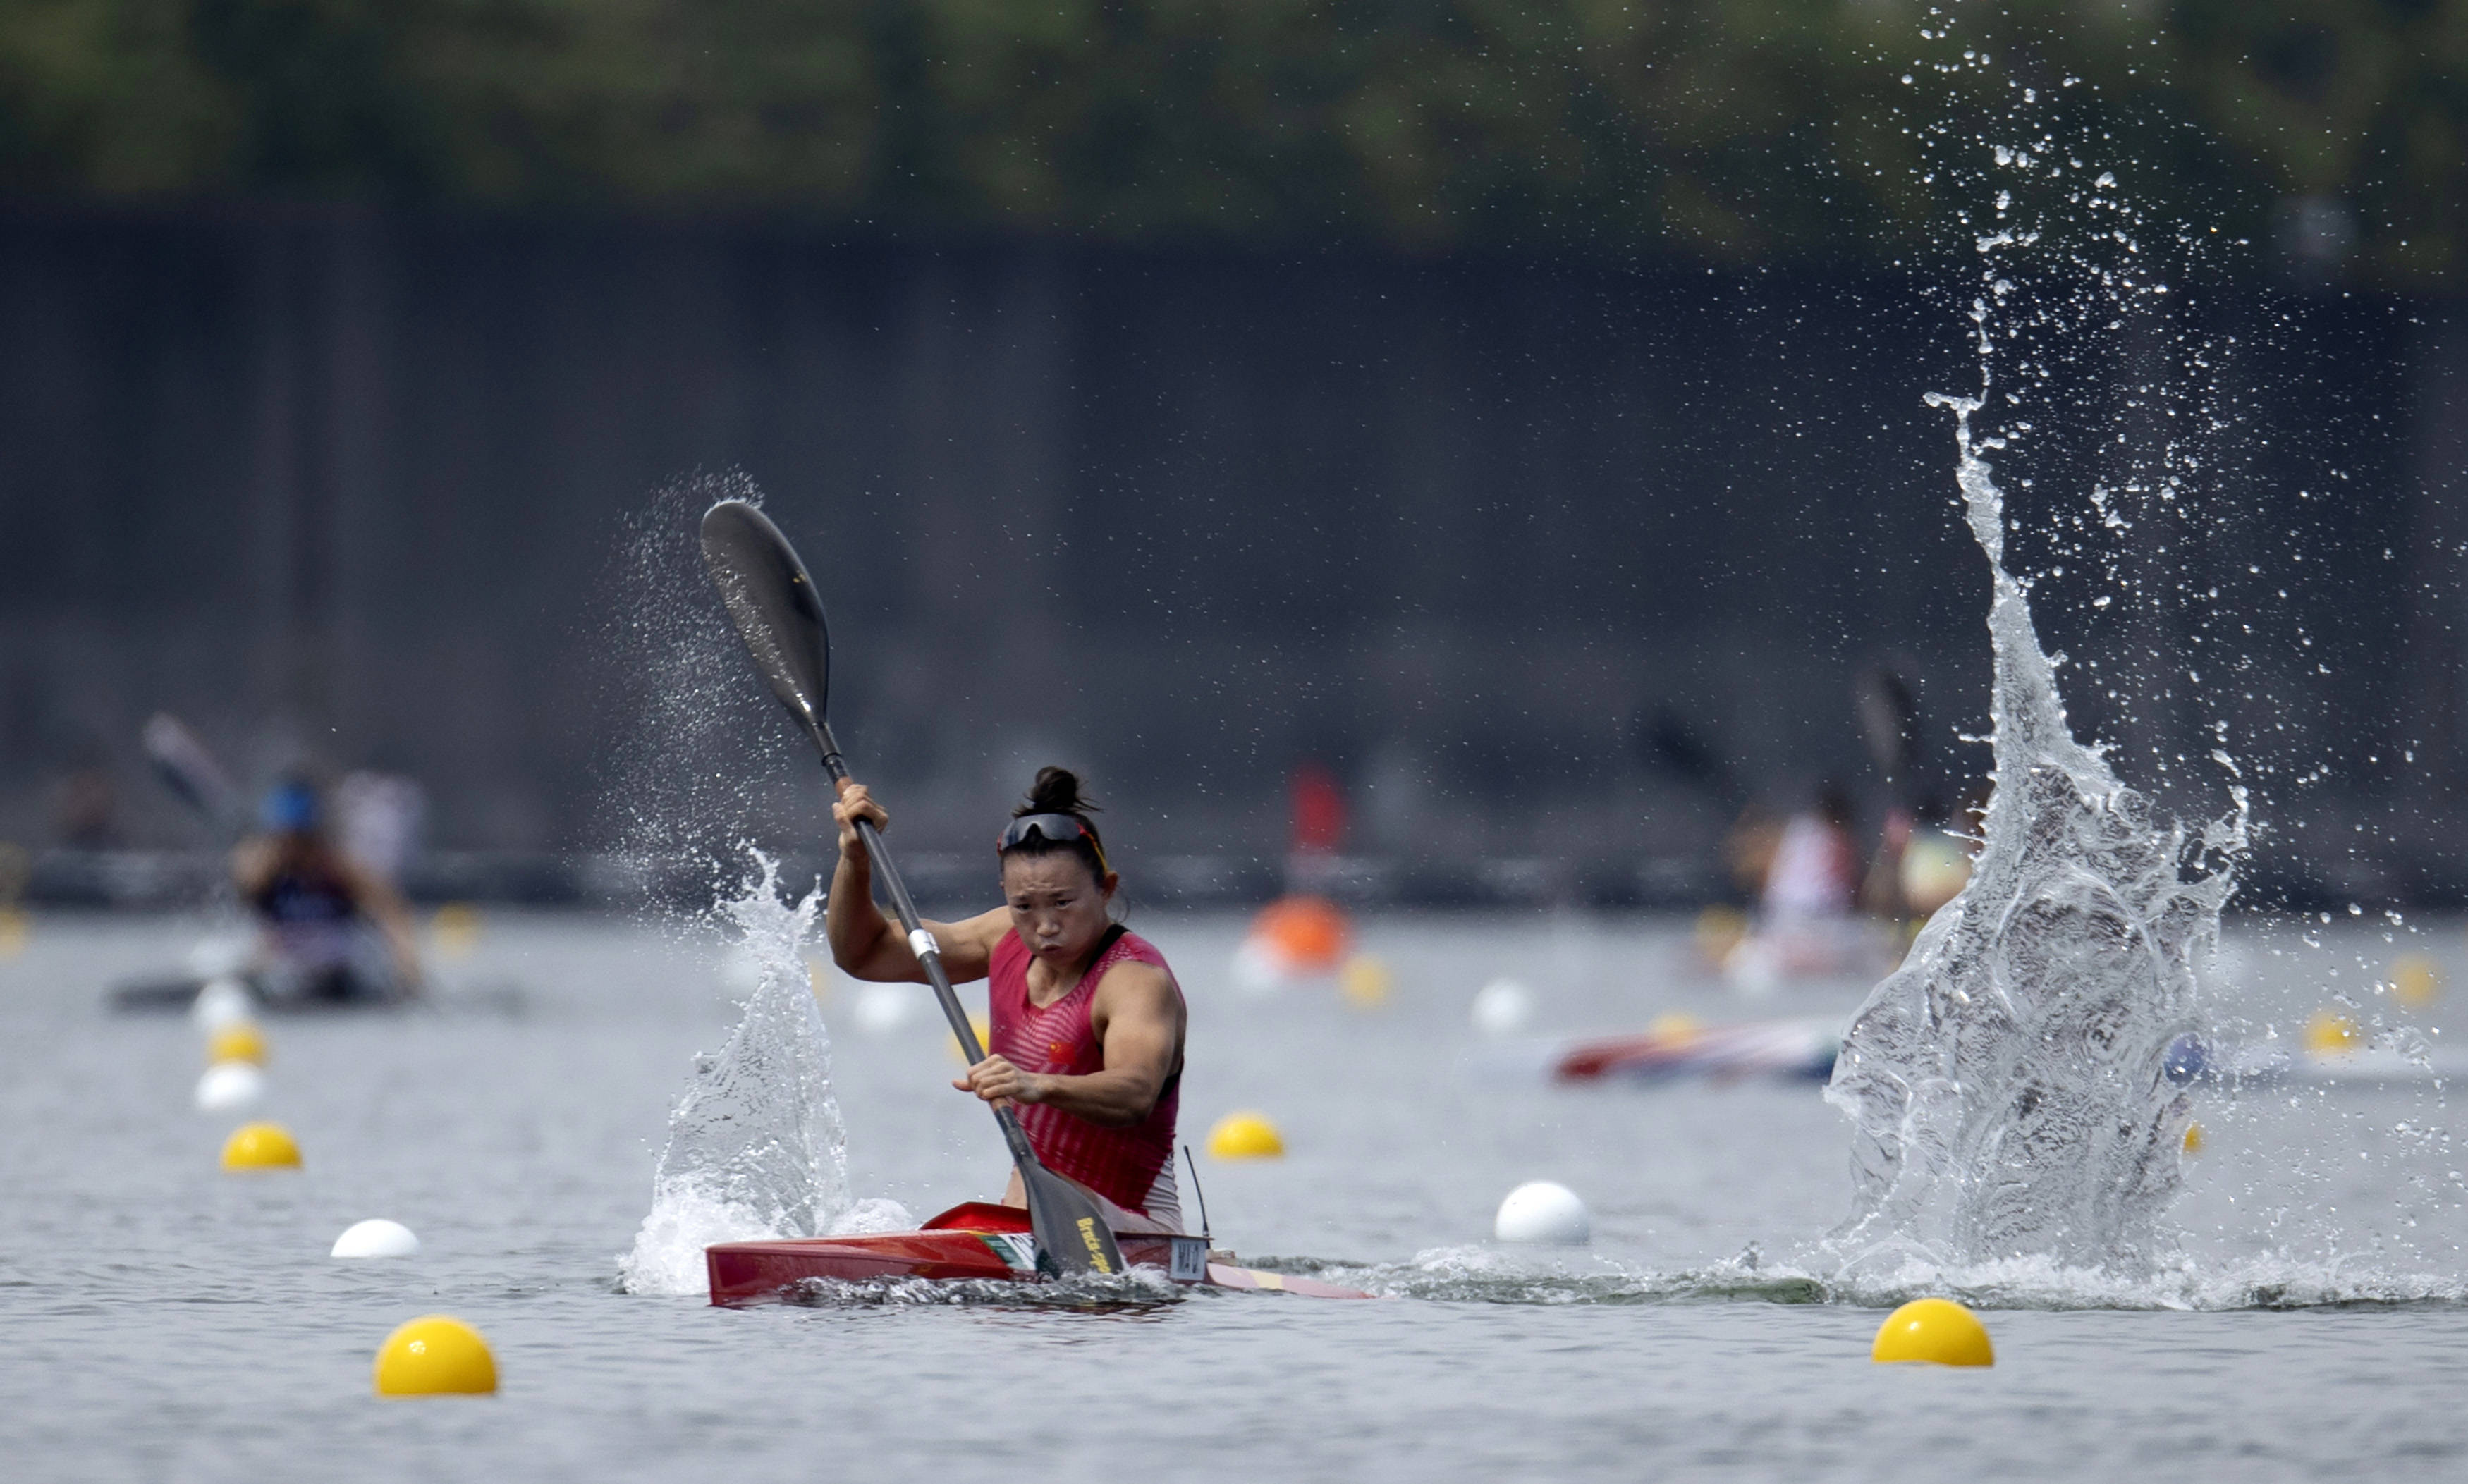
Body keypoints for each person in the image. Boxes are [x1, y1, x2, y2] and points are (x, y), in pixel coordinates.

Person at [827, 766, 1189, 1229]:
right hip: (1039, 1217)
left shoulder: (1133, 979)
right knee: (1027, 1188)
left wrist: (1036, 1084)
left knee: (1040, 1185)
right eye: (1024, 906)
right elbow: (863, 954)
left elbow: (1135, 1092)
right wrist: (855, 862)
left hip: (1140, 1232)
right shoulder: (1002, 938)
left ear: (1106, 888)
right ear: (1006, 895)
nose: (1044, 925)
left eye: (1063, 902)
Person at [231, 778, 422, 1003]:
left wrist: (406, 966)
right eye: (286, 840)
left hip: (339, 977)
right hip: (282, 973)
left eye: (301, 840)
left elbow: (393, 913)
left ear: (316, 836)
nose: (294, 849)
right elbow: (245, 880)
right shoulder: (264, 867)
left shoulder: (343, 868)